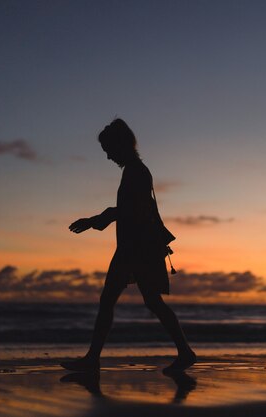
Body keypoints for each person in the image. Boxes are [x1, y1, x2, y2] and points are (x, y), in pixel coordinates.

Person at [60, 118, 197, 374]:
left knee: (112, 299)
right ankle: (185, 352)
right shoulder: (135, 170)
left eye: (109, 150)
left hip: (136, 248)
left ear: (121, 144)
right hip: (137, 246)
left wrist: (95, 220)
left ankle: (92, 360)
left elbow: (131, 211)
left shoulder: (136, 171)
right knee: (149, 302)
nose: (108, 156)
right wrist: (102, 218)